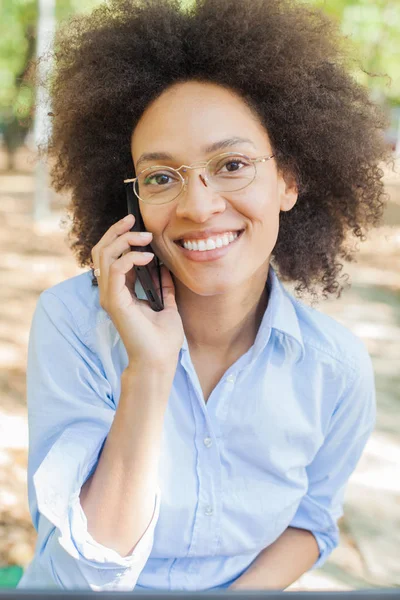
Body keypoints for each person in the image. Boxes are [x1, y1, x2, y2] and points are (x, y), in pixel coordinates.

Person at [17, 0, 391, 592]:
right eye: (162, 177)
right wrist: (150, 367)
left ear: (288, 181)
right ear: (134, 197)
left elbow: (312, 523)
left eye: (233, 164)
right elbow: (86, 569)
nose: (197, 205)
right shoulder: (73, 323)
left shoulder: (334, 369)